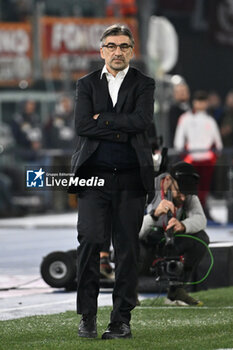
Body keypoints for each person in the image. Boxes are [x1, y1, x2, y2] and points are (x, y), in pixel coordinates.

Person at [70, 24, 155, 339]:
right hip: (93, 179)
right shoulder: (86, 84)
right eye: (111, 45)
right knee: (90, 244)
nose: (117, 51)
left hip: (132, 180)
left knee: (127, 251)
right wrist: (122, 128)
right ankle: (88, 318)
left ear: (132, 50)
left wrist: (102, 120)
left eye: (123, 46)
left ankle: (121, 321)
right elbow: (81, 125)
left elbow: (143, 121)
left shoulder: (145, 84)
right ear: (101, 50)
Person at [139, 161, 209, 305]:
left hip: (170, 239)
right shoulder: (148, 188)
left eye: (186, 194)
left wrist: (183, 225)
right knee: (129, 244)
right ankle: (128, 293)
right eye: (180, 192)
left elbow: (201, 219)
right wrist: (154, 215)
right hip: (146, 241)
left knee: (201, 239)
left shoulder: (187, 192)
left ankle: (176, 291)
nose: (183, 198)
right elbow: (131, 230)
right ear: (169, 180)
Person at [174, 90, 223, 218]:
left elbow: (218, 142)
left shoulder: (210, 120)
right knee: (190, 189)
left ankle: (201, 213)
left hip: (206, 159)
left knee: (204, 189)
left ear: (206, 103)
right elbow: (178, 141)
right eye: (198, 101)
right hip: (192, 159)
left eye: (203, 101)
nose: (200, 104)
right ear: (194, 102)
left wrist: (213, 156)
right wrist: (184, 155)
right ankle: (190, 213)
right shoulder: (185, 118)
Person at [167, 82, 190, 148]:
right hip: (177, 148)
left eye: (183, 91)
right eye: (179, 92)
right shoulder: (172, 110)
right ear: (174, 94)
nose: (181, 93)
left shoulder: (192, 109)